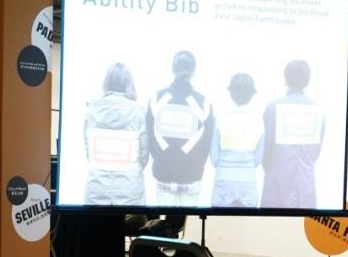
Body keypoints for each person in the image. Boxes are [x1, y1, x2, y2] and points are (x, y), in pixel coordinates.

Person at [146, 50, 214, 206]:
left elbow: (149, 138)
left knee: (162, 221)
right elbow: (207, 144)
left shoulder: (156, 98)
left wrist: (160, 160)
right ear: (193, 72)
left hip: (163, 173)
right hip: (192, 176)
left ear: (172, 69)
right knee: (185, 221)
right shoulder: (204, 103)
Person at [260, 60, 324, 209]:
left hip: (276, 184)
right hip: (305, 185)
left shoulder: (273, 108)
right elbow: (316, 151)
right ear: (307, 80)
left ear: (286, 78)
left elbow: (265, 150)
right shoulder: (318, 110)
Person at [83, 62, 148, 205]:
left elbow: (89, 153)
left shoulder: (91, 109)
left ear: (106, 82)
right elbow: (144, 155)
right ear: (129, 84)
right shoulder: (138, 112)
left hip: (96, 189)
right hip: (130, 191)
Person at [210, 73, 264, 207]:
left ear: (231, 93)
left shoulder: (221, 116)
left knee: (218, 219)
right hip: (248, 178)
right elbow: (258, 159)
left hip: (224, 176)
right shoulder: (258, 119)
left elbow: (214, 157)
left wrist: (224, 164)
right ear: (252, 94)